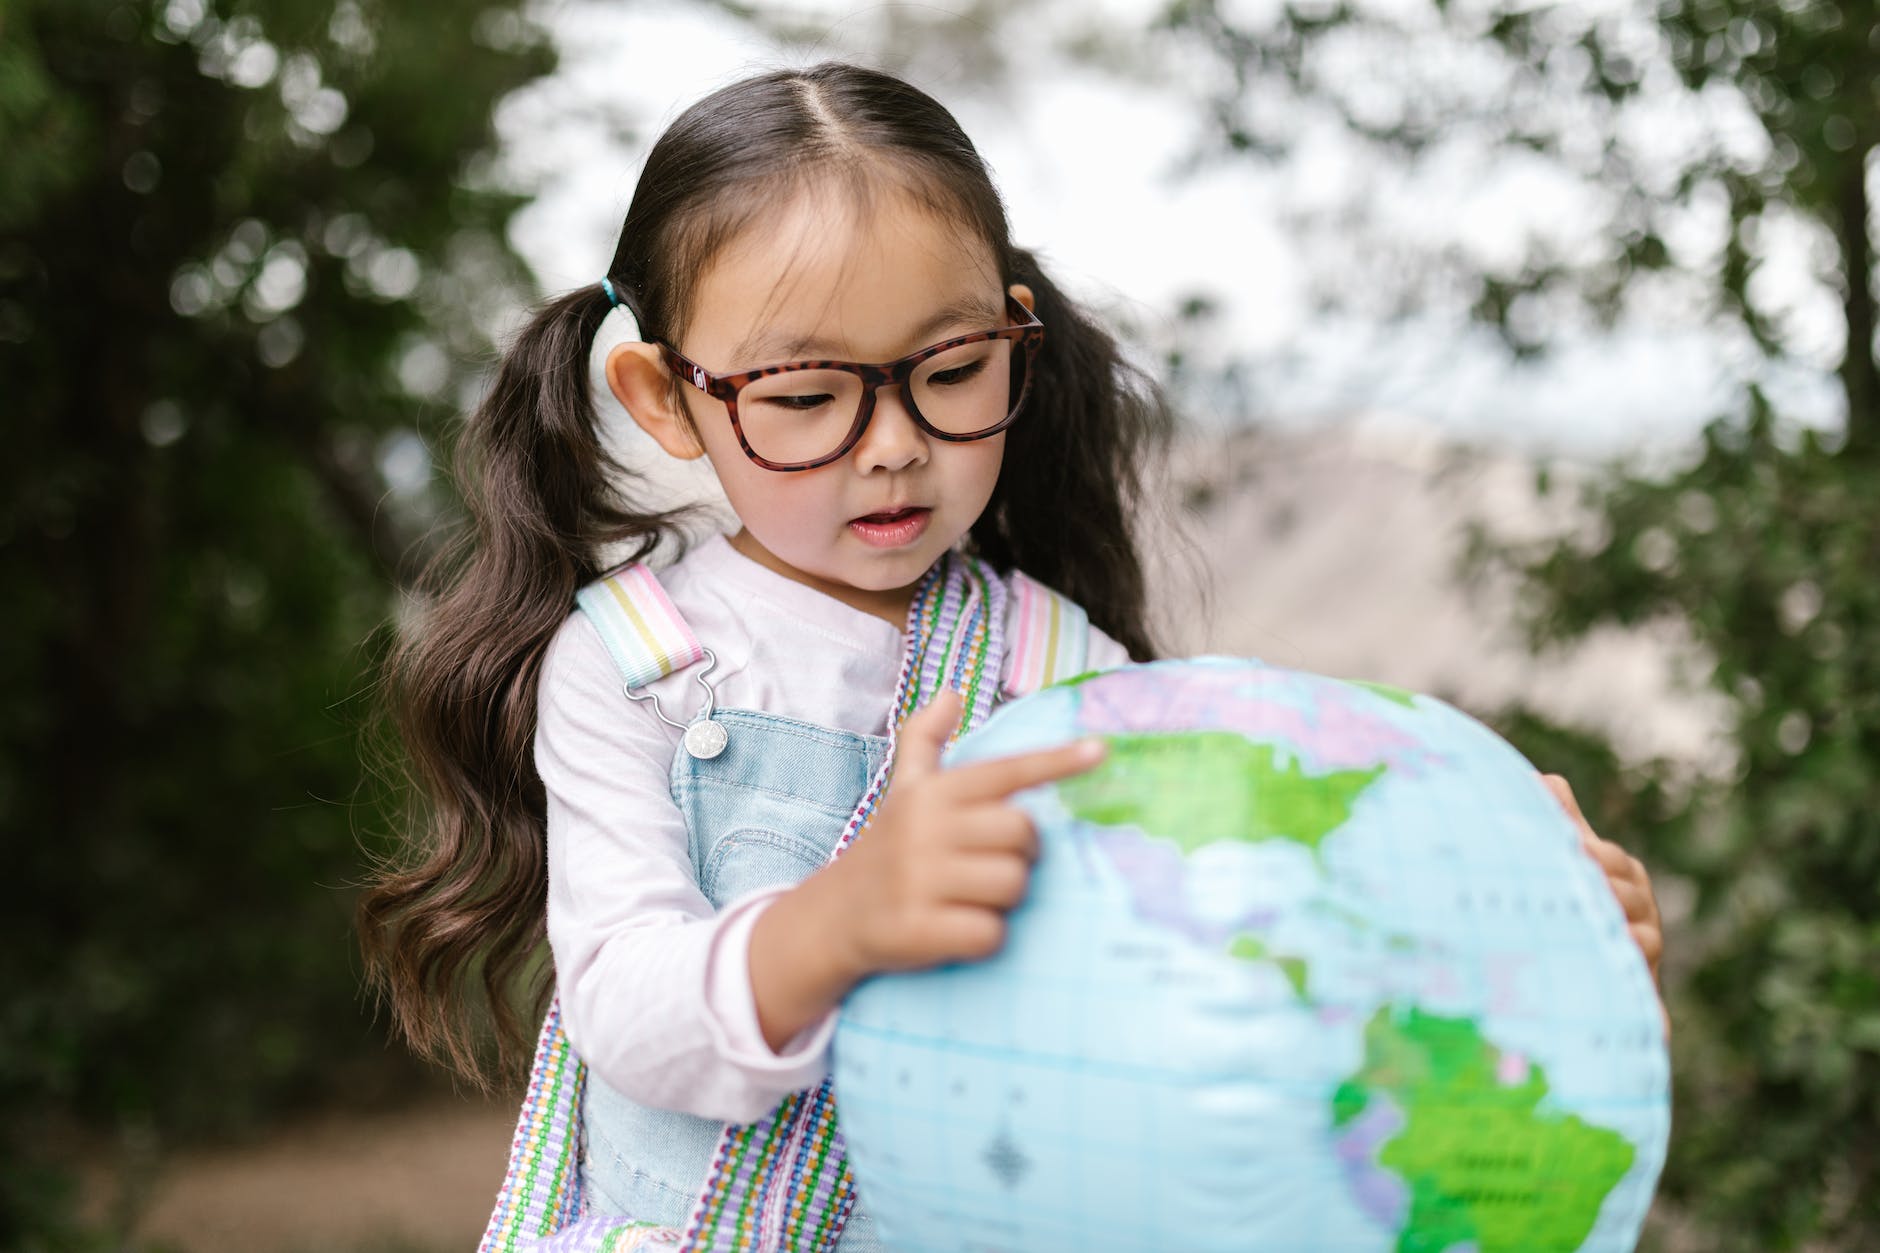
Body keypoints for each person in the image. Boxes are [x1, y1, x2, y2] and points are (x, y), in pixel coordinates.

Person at [358, 61, 1664, 1250]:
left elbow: (1223, 943)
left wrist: (1530, 945)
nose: (890, 443)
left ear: (1012, 337)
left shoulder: (1064, 668)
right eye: (807, 393)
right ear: (668, 398)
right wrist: (839, 923)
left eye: (951, 368)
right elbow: (628, 1011)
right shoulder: (636, 664)